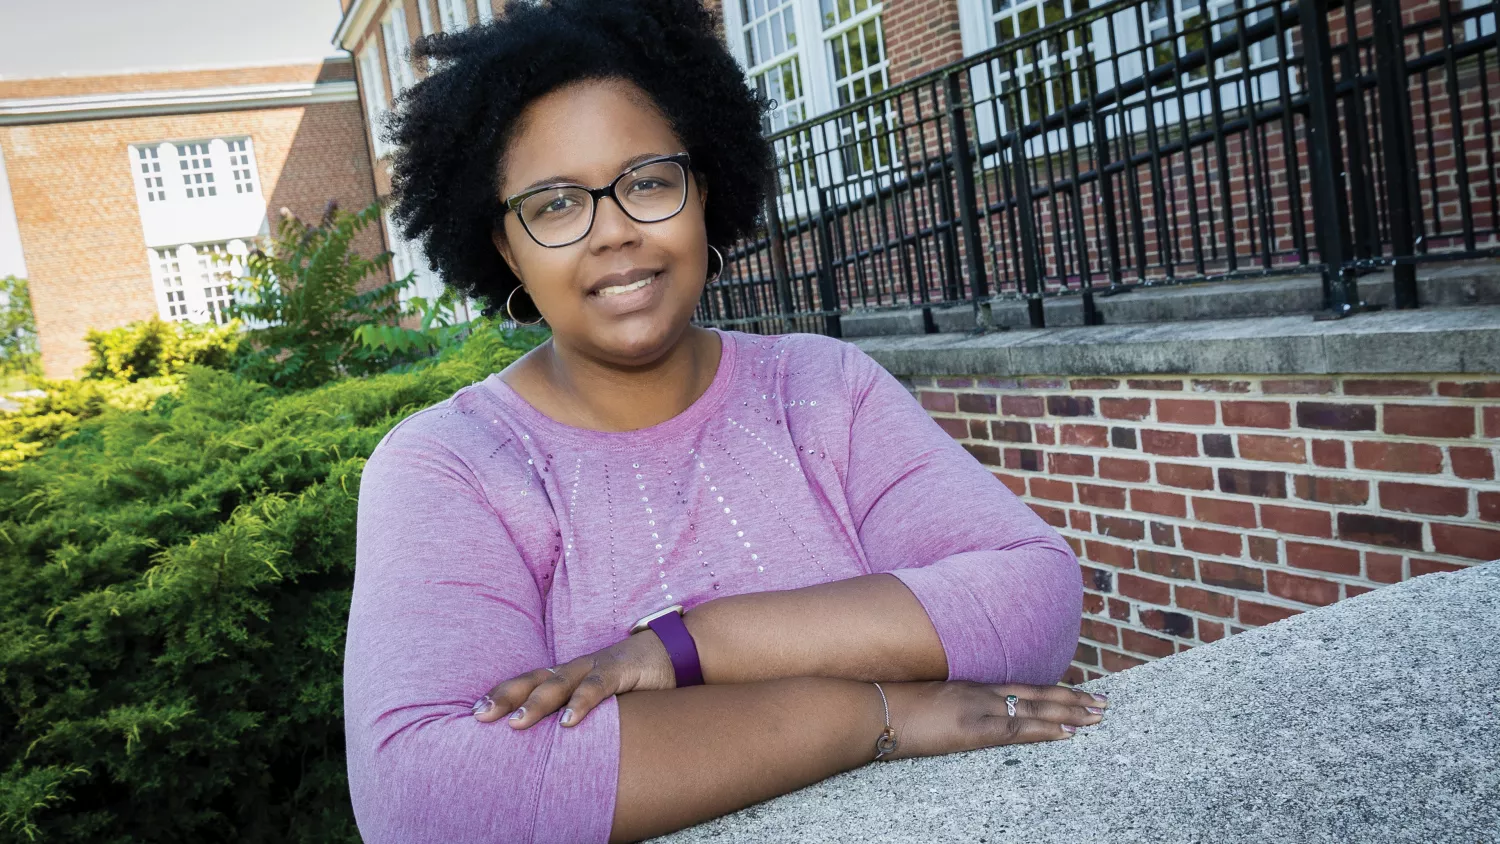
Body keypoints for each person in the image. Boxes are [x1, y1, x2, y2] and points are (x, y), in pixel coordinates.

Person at [342, 0, 1100, 841]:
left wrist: (682, 649)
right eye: (556, 205)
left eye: (649, 182)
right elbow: (429, 800)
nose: (615, 232)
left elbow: (1032, 596)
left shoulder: (822, 387)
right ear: (503, 245)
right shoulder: (450, 465)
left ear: (703, 191)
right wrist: (871, 716)